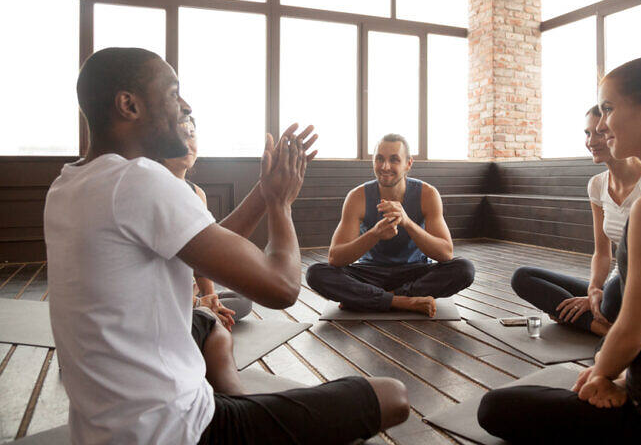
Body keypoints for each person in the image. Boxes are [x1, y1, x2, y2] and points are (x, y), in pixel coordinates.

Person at [44, 47, 410, 444]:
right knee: (392, 396)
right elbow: (282, 288)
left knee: (206, 322)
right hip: (176, 432)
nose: (183, 105)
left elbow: (206, 251)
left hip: (100, 431)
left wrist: (262, 191)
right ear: (128, 105)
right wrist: (280, 204)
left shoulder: (69, 184)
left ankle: (237, 400)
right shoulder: (138, 180)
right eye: (172, 92)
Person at [477, 55, 641, 444]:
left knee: (494, 408)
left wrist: (599, 374)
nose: (601, 125)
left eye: (608, 110)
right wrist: (615, 373)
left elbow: (633, 331)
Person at [511, 106, 641, 335]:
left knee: (611, 298)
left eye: (600, 132)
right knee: (523, 277)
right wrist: (594, 289)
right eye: (588, 133)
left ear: (622, 131)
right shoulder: (597, 185)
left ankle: (595, 319)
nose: (592, 141)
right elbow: (603, 253)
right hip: (615, 285)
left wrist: (603, 295)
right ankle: (600, 325)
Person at [306, 133, 474, 317]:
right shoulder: (357, 197)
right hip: (370, 274)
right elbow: (335, 258)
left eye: (394, 160)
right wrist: (374, 234)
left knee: (464, 269)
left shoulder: (427, 194)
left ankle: (379, 299)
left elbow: (445, 253)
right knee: (315, 273)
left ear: (408, 164)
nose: (385, 166)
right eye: (379, 159)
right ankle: (402, 302)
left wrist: (407, 222)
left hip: (414, 273)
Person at [162, 116, 252, 328]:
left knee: (243, 300)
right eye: (177, 136)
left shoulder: (197, 193)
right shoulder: (155, 190)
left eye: (191, 135)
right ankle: (199, 314)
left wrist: (210, 299)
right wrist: (197, 302)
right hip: (164, 293)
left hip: (189, 287)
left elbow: (202, 259)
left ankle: (204, 313)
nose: (186, 144)